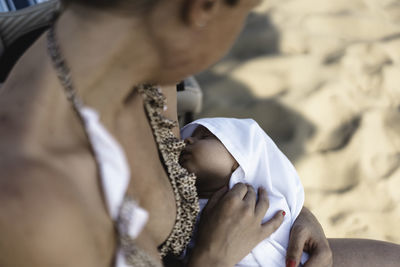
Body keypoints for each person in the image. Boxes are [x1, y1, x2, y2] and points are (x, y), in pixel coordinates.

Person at [0, 0, 397, 266]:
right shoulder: (35, 203)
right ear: (202, 8)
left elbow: (209, 166)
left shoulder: (147, 77)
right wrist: (212, 258)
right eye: (243, 12)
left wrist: (286, 209)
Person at [180, 117, 309, 266]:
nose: (187, 141)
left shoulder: (266, 203)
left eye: (205, 137)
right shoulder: (181, 210)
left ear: (239, 158)